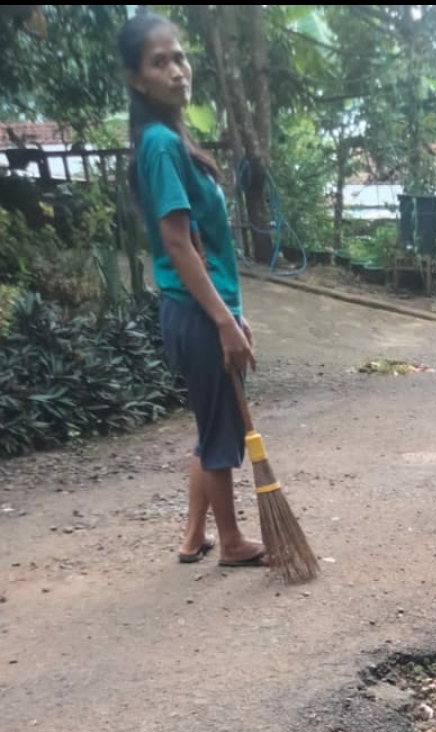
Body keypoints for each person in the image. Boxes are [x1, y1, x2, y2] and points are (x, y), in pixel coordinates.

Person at [119, 12, 265, 567]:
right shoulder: (159, 143)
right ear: (137, 79)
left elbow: (197, 241)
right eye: (160, 62)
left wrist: (232, 311)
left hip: (203, 307)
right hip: (195, 311)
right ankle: (230, 541)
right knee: (220, 429)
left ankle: (193, 536)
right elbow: (177, 244)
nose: (177, 70)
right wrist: (224, 322)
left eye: (178, 56)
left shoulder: (171, 138)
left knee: (210, 422)